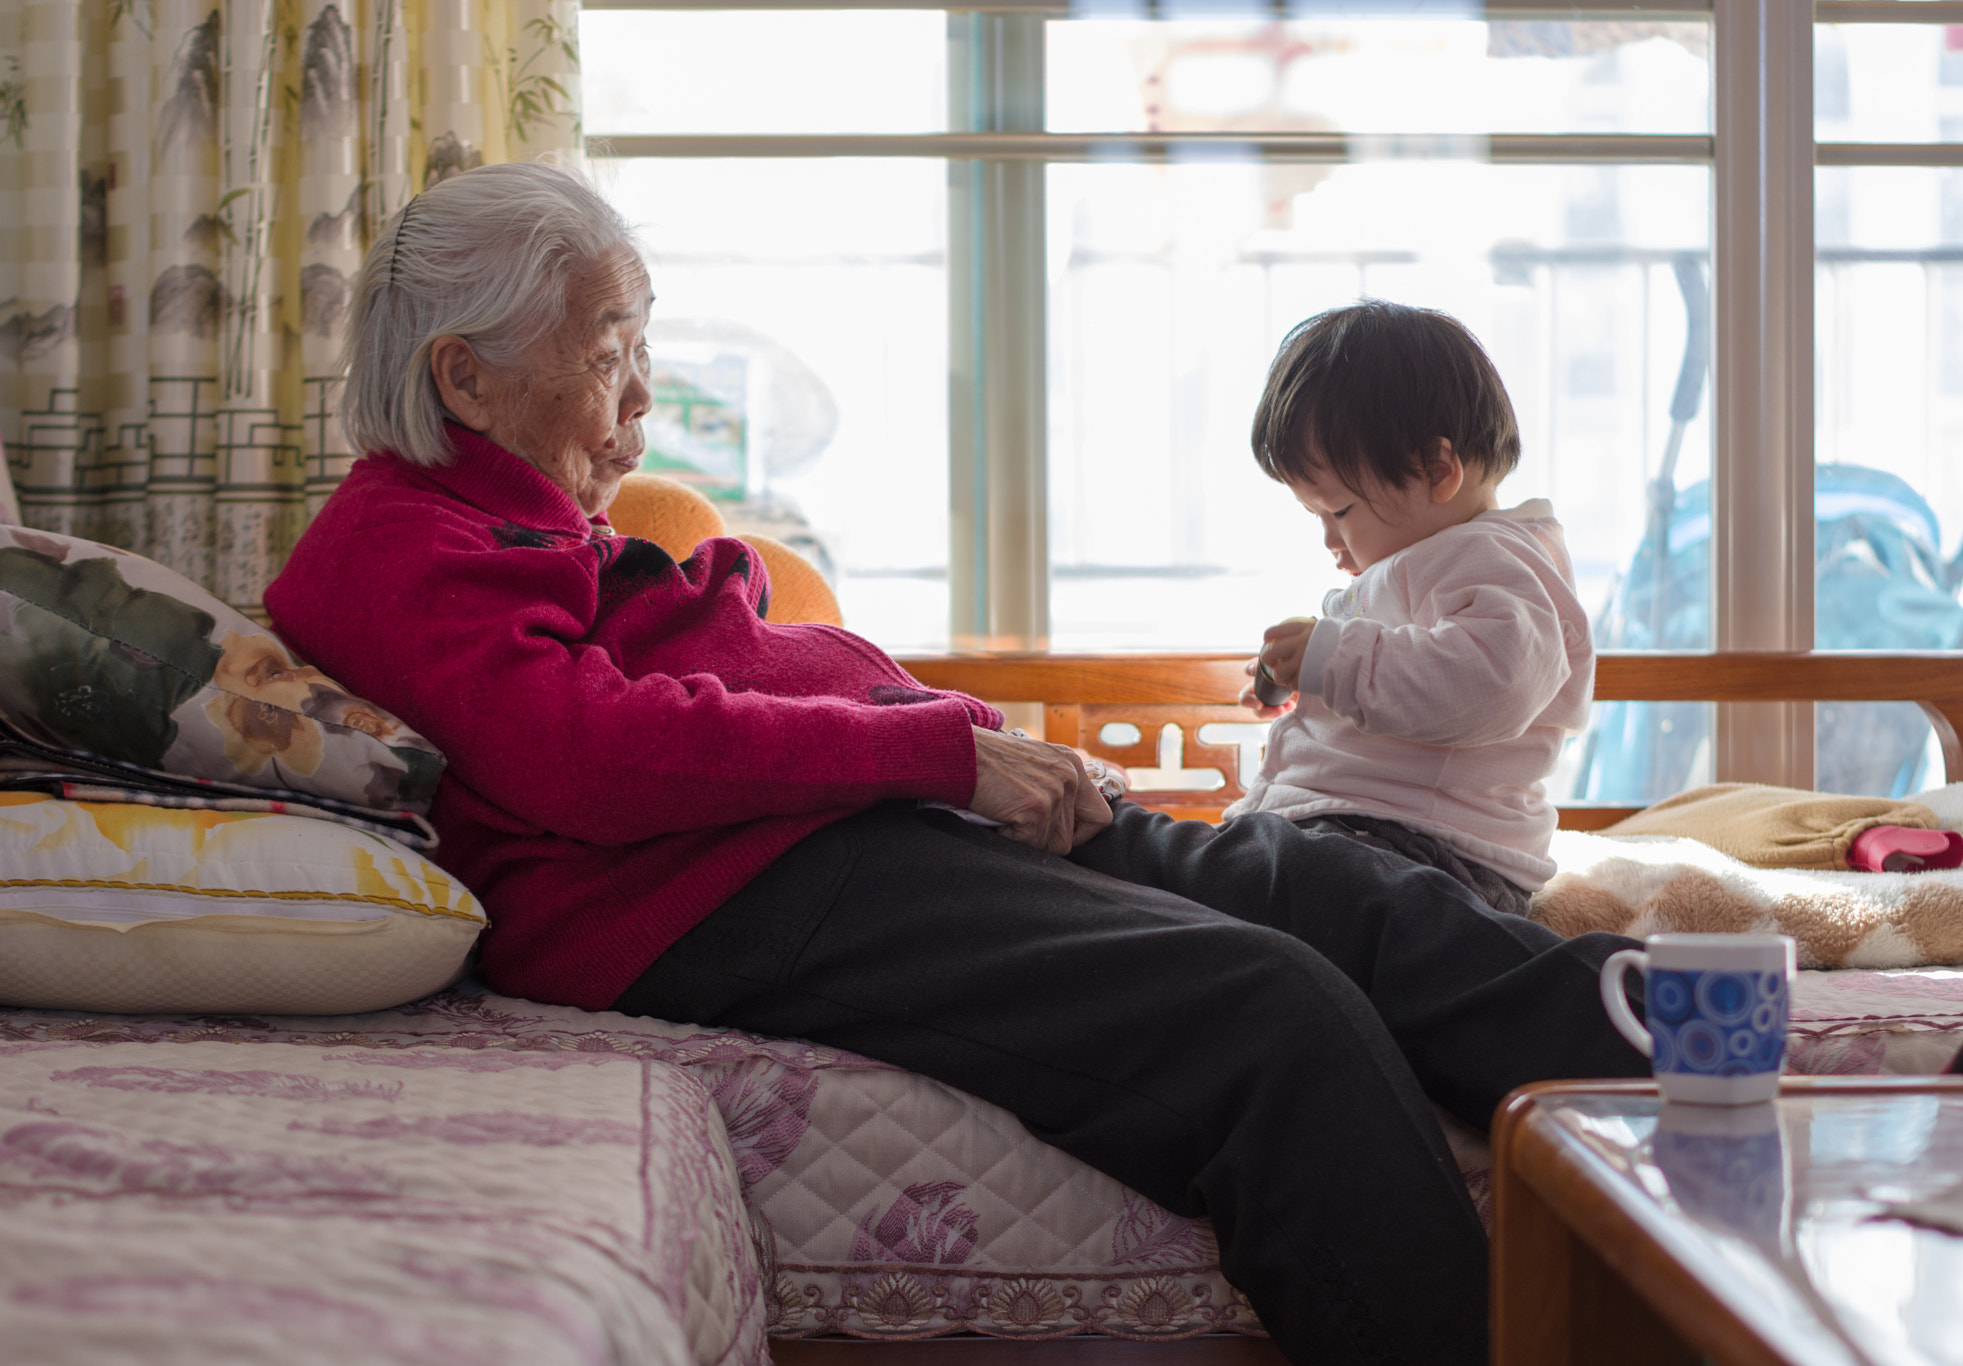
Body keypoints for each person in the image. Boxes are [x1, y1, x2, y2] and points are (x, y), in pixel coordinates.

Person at [265, 161, 1649, 1366]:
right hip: (739, 881)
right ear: (467, 374)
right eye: (610, 348)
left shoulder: (506, 512)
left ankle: (1688, 1052)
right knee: (1270, 1012)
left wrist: (951, 739)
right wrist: (933, 747)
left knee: (1319, 886)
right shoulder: (399, 547)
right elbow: (586, 757)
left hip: (844, 811)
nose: (641, 391)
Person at [1233, 302, 1593, 917]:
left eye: (1339, 511)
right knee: (1237, 880)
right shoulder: (1438, 555)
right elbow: (1402, 676)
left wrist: (1333, 657)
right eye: (1316, 516)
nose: (1330, 541)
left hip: (1424, 850)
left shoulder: (1496, 557)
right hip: (1363, 836)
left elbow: (1492, 681)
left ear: (1437, 469)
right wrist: (1311, 683)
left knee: (1255, 885)